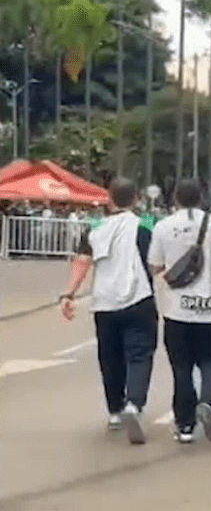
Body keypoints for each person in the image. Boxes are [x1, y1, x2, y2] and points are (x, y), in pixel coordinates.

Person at [59, 178, 157, 445]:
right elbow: (157, 262)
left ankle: (115, 410)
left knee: (110, 357)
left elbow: (82, 262)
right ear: (136, 198)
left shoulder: (94, 227)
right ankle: (134, 405)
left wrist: (68, 294)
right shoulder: (146, 225)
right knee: (139, 355)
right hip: (139, 300)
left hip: (104, 303)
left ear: (108, 198)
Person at [148, 180, 211, 444]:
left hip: (176, 311)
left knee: (182, 369)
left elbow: (155, 266)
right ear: (202, 198)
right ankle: (209, 404)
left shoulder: (163, 226)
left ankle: (184, 425)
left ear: (175, 198)